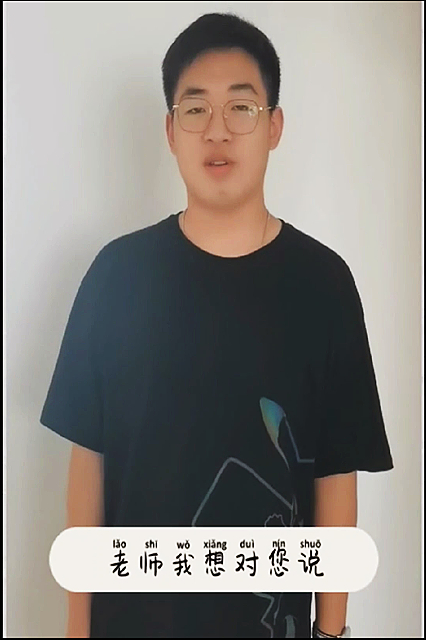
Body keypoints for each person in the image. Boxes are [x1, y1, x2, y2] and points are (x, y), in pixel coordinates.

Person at [40, 11, 394, 639]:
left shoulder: (324, 285)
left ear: (274, 126)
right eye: (196, 109)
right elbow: (88, 461)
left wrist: (332, 631)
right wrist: (76, 630)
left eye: (242, 108)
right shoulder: (116, 275)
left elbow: (336, 472)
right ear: (170, 130)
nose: (218, 131)